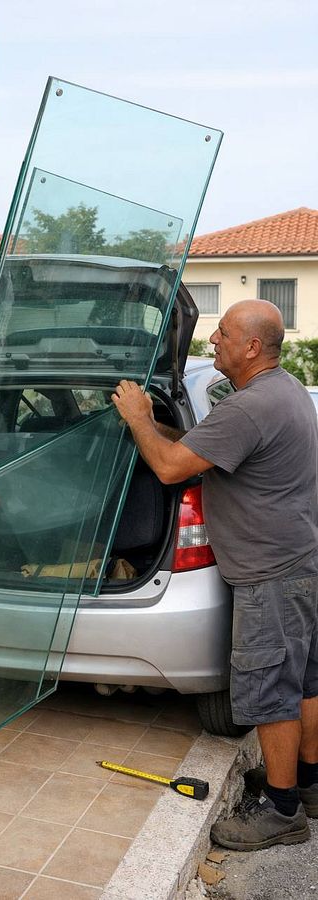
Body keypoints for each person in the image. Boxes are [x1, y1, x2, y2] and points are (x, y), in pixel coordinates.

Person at [112, 299, 318, 852]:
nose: (213, 342)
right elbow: (193, 446)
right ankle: (308, 785)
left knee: (271, 687)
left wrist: (136, 418)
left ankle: (281, 812)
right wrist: (150, 422)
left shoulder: (248, 408)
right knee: (304, 679)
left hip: (270, 573)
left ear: (252, 347)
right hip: (299, 561)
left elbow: (170, 466)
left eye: (223, 335)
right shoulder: (286, 389)